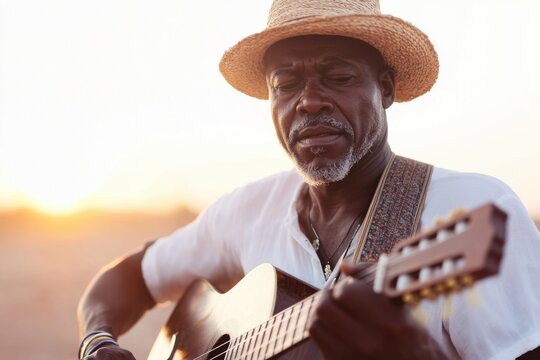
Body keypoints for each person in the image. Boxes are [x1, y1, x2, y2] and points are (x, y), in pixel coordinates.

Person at [77, 0, 540, 359]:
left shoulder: (475, 209)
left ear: (386, 87)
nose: (309, 101)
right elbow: (125, 281)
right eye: (286, 84)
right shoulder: (244, 213)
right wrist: (96, 341)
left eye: (337, 76)